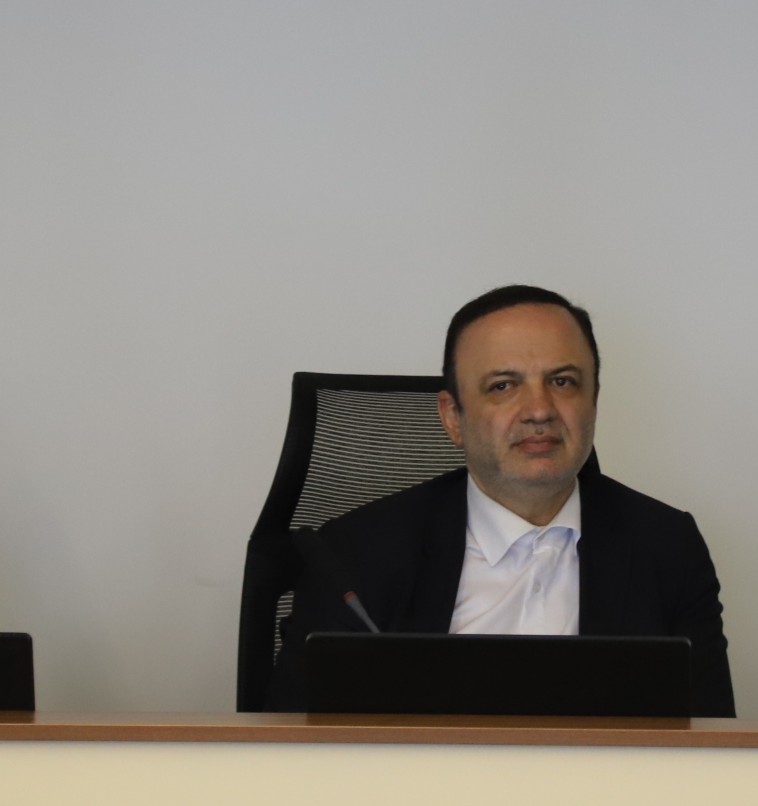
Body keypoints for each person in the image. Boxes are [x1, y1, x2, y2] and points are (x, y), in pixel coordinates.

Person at [270, 285, 734, 715]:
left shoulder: (667, 547)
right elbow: (295, 746)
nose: (539, 410)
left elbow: (711, 742)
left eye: (563, 381)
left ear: (593, 401)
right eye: (503, 386)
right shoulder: (354, 557)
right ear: (453, 417)